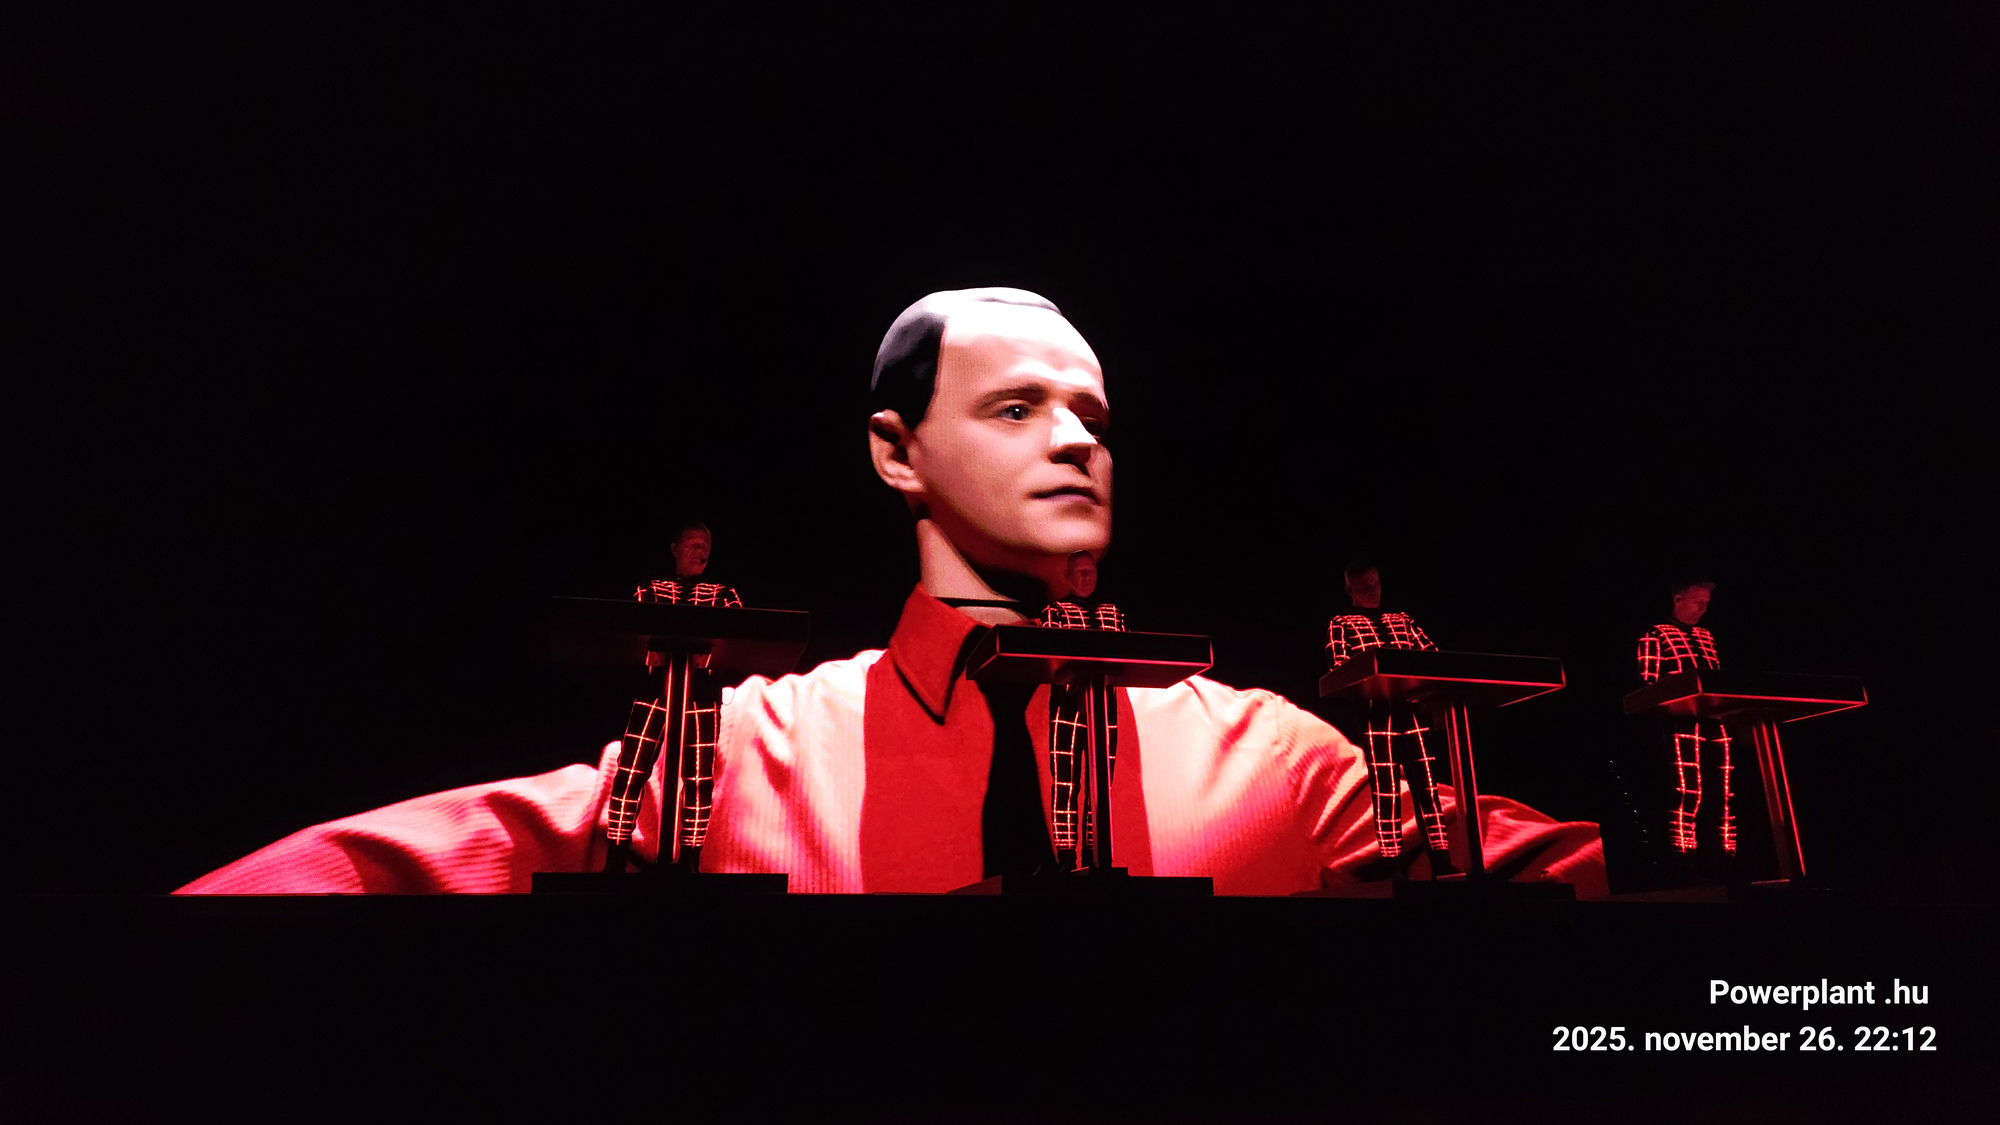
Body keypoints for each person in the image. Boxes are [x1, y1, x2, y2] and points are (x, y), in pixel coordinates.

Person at [179, 288, 1604, 896]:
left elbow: (1588, 889)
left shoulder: (1275, 763)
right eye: (1017, 408)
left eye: (1094, 416)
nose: (1074, 442)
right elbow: (420, 862)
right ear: (894, 450)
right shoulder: (746, 754)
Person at [615, 520, 744, 871]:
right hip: (654, 690)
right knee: (631, 770)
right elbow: (631, 629)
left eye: (706, 546)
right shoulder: (650, 589)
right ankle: (616, 855)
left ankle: (690, 859)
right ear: (675, 549)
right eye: (693, 544)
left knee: (699, 779)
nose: (701, 551)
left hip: (702, 695)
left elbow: (740, 634)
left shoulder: (723, 594)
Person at [1325, 561, 1453, 874]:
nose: (1374, 591)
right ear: (1350, 589)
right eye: (1365, 587)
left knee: (1427, 787)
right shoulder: (1342, 623)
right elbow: (1339, 668)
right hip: (1376, 717)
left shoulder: (1402, 620)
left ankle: (1441, 859)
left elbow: (1432, 655)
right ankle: (1393, 862)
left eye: (1377, 584)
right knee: (1387, 790)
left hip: (1412, 712)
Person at [1038, 550, 1126, 868]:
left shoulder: (1113, 614)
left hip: (1104, 706)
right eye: (1080, 572)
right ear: (1068, 576)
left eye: (1091, 572)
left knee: (1101, 785)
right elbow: (1052, 657)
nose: (1086, 578)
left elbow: (1125, 655)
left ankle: (1094, 852)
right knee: (1065, 782)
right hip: (1067, 706)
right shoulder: (1055, 612)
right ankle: (1065, 856)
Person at [1635, 579, 1732, 865]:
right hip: (1680, 721)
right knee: (1687, 789)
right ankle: (1684, 854)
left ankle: (1727, 851)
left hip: (1714, 719)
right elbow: (1648, 685)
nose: (1703, 608)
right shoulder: (1656, 634)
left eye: (1707, 603)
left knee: (1724, 790)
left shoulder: (1707, 636)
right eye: (1697, 601)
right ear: (1677, 599)